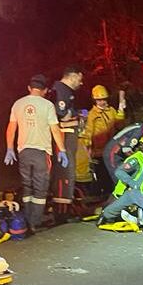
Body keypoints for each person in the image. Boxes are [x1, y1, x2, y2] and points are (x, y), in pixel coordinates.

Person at [4, 74, 68, 233]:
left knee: (27, 185)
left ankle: (26, 219)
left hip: (23, 151)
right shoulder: (47, 105)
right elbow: (55, 129)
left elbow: (11, 127)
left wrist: (9, 148)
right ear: (45, 90)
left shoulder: (18, 104)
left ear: (29, 88)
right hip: (41, 152)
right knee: (40, 188)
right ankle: (35, 222)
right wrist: (63, 150)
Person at [49, 65, 84, 220]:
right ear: (73, 76)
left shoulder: (64, 91)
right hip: (64, 136)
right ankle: (62, 210)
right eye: (80, 79)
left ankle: (65, 206)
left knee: (67, 171)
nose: (81, 83)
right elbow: (62, 115)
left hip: (67, 136)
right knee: (64, 172)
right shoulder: (61, 90)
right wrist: (74, 115)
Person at [78, 85, 125, 194]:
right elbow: (87, 135)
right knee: (103, 177)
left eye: (103, 99)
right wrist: (88, 152)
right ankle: (104, 197)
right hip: (99, 152)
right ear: (94, 100)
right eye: (99, 100)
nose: (102, 102)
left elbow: (119, 125)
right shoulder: (91, 115)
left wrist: (121, 110)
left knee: (114, 174)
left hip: (112, 150)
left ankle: (113, 195)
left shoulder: (111, 111)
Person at [97, 136, 143, 226]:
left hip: (134, 192)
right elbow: (119, 172)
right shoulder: (136, 159)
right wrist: (133, 184)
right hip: (122, 193)